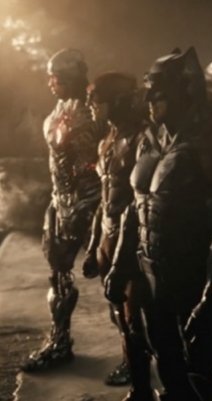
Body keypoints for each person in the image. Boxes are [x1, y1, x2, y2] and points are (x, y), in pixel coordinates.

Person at [104, 48, 212, 401]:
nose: (149, 101)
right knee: (164, 356)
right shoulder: (149, 140)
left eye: (159, 93)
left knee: (201, 368)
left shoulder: (211, 144)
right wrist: (120, 265)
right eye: (148, 92)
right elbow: (133, 209)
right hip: (151, 270)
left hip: (192, 275)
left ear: (184, 92)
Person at [22, 48, 102, 372]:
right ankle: (60, 342)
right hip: (62, 201)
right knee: (58, 275)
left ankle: (135, 352)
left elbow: (100, 161)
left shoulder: (94, 110)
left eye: (54, 77)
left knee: (117, 279)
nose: (50, 83)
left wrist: (95, 205)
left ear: (67, 78)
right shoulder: (60, 109)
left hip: (93, 201)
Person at [83, 72, 149, 389]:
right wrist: (93, 245)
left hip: (132, 241)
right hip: (108, 236)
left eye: (96, 98)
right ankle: (134, 376)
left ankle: (144, 384)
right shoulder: (107, 140)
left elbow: (137, 203)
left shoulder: (141, 141)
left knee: (136, 317)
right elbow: (104, 198)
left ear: (117, 101)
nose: (90, 104)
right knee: (119, 314)